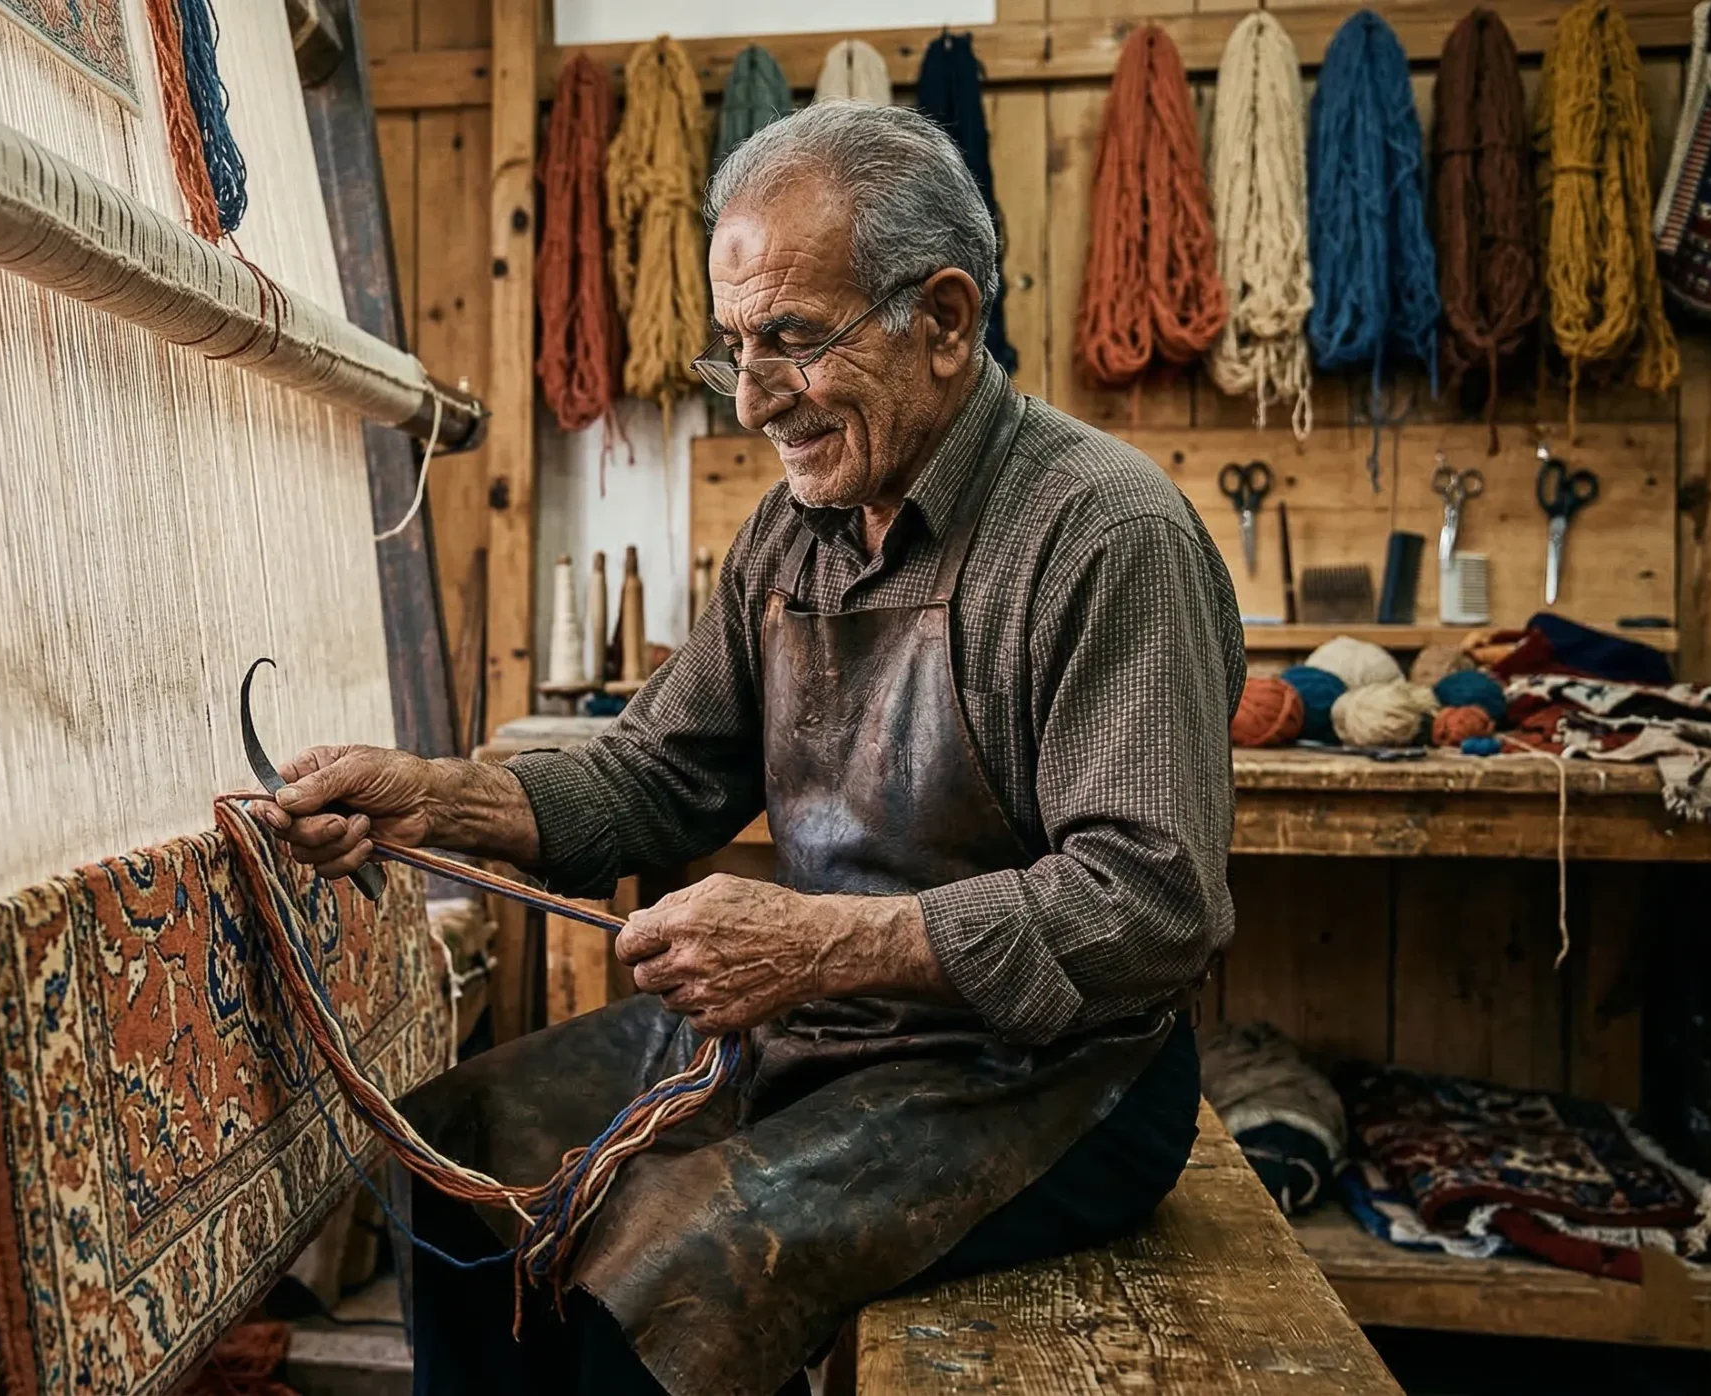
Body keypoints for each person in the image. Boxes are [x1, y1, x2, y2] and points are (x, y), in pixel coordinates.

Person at [253, 101, 1244, 1396]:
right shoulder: (791, 536)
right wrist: (433, 797)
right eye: (737, 348)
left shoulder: (1105, 532)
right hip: (832, 1029)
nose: (758, 397)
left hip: (1054, 1082)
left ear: (944, 321)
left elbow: (1152, 909)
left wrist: (816, 945)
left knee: (669, 1268)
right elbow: (658, 774)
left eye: (791, 340)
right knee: (458, 1152)